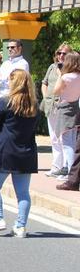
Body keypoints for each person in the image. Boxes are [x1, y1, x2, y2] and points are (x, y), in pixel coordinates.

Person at [0, 70, 38, 238]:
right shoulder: (34, 105)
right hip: (26, 150)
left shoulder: (6, 102)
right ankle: (21, 226)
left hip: (5, 148)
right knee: (23, 192)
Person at [41, 44, 73, 177]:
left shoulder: (71, 70)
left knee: (63, 138)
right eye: (59, 53)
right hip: (50, 106)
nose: (61, 56)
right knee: (54, 137)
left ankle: (66, 167)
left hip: (63, 107)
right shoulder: (52, 67)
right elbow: (45, 83)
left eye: (64, 53)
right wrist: (46, 97)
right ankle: (56, 166)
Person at [49, 51, 80, 181]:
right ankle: (68, 168)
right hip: (75, 106)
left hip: (65, 107)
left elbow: (55, 90)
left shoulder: (66, 77)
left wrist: (60, 75)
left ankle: (70, 173)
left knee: (66, 142)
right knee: (72, 140)